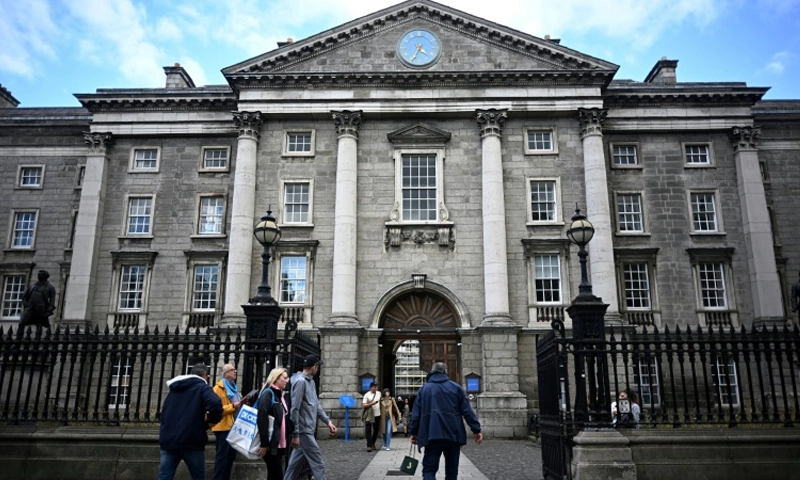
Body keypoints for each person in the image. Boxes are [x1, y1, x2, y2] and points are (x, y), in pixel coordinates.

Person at [410, 362, 482, 480]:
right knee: (452, 471)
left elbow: (416, 415)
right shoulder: (456, 388)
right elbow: (467, 411)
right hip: (453, 434)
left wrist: (414, 433)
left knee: (429, 470)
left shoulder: (424, 390)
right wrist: (476, 430)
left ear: (432, 372)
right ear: (445, 372)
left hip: (432, 435)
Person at [158, 363, 223, 480]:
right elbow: (215, 405)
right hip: (192, 439)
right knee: (198, 477)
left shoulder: (174, 389)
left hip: (169, 439)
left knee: (164, 476)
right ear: (204, 375)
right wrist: (209, 423)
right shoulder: (203, 387)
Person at [283, 354, 337, 480]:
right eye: (317, 366)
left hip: (307, 430)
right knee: (318, 464)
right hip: (304, 431)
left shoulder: (310, 382)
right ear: (313, 366)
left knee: (293, 466)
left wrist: (328, 422)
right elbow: (294, 409)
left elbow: (316, 405)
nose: (318, 368)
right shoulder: (301, 382)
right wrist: (296, 434)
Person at [212, 363, 248, 480]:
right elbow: (215, 409)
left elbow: (238, 404)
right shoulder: (218, 388)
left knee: (230, 457)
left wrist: (243, 403)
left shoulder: (234, 387)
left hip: (234, 426)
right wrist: (233, 406)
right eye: (233, 370)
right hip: (223, 427)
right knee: (222, 457)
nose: (235, 372)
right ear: (225, 373)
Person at [257, 367, 291, 480]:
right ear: (276, 379)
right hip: (271, 444)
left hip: (279, 443)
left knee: (273, 475)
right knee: (277, 475)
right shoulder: (268, 393)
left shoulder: (280, 394)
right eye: (285, 378)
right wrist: (264, 443)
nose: (287, 380)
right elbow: (262, 417)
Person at [361, 381, 381, 452]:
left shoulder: (379, 393)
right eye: (374, 386)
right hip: (369, 415)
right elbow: (364, 405)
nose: (375, 388)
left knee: (376, 430)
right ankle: (369, 445)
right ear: (370, 387)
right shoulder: (367, 395)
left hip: (377, 414)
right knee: (368, 430)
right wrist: (371, 403)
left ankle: (373, 443)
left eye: (376, 386)